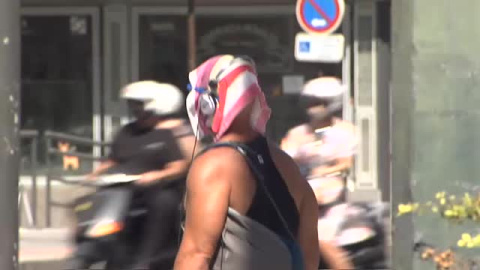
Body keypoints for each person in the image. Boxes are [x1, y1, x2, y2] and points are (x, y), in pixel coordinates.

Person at [174, 55, 319, 270]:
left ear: (209, 103)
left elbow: (196, 255)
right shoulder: (288, 166)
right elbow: (309, 257)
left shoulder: (215, 165)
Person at [87, 81, 195, 269]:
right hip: (124, 191)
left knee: (163, 201)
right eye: (133, 106)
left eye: (140, 106)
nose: (136, 111)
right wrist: (95, 174)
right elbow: (113, 160)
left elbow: (179, 166)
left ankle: (146, 260)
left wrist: (157, 176)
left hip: (155, 192)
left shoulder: (165, 134)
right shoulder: (126, 132)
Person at [281, 76, 357, 269]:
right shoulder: (298, 133)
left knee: (323, 241)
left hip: (331, 197)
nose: (313, 107)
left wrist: (325, 171)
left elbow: (346, 163)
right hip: (300, 194)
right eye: (310, 102)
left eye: (319, 103)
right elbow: (284, 159)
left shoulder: (345, 131)